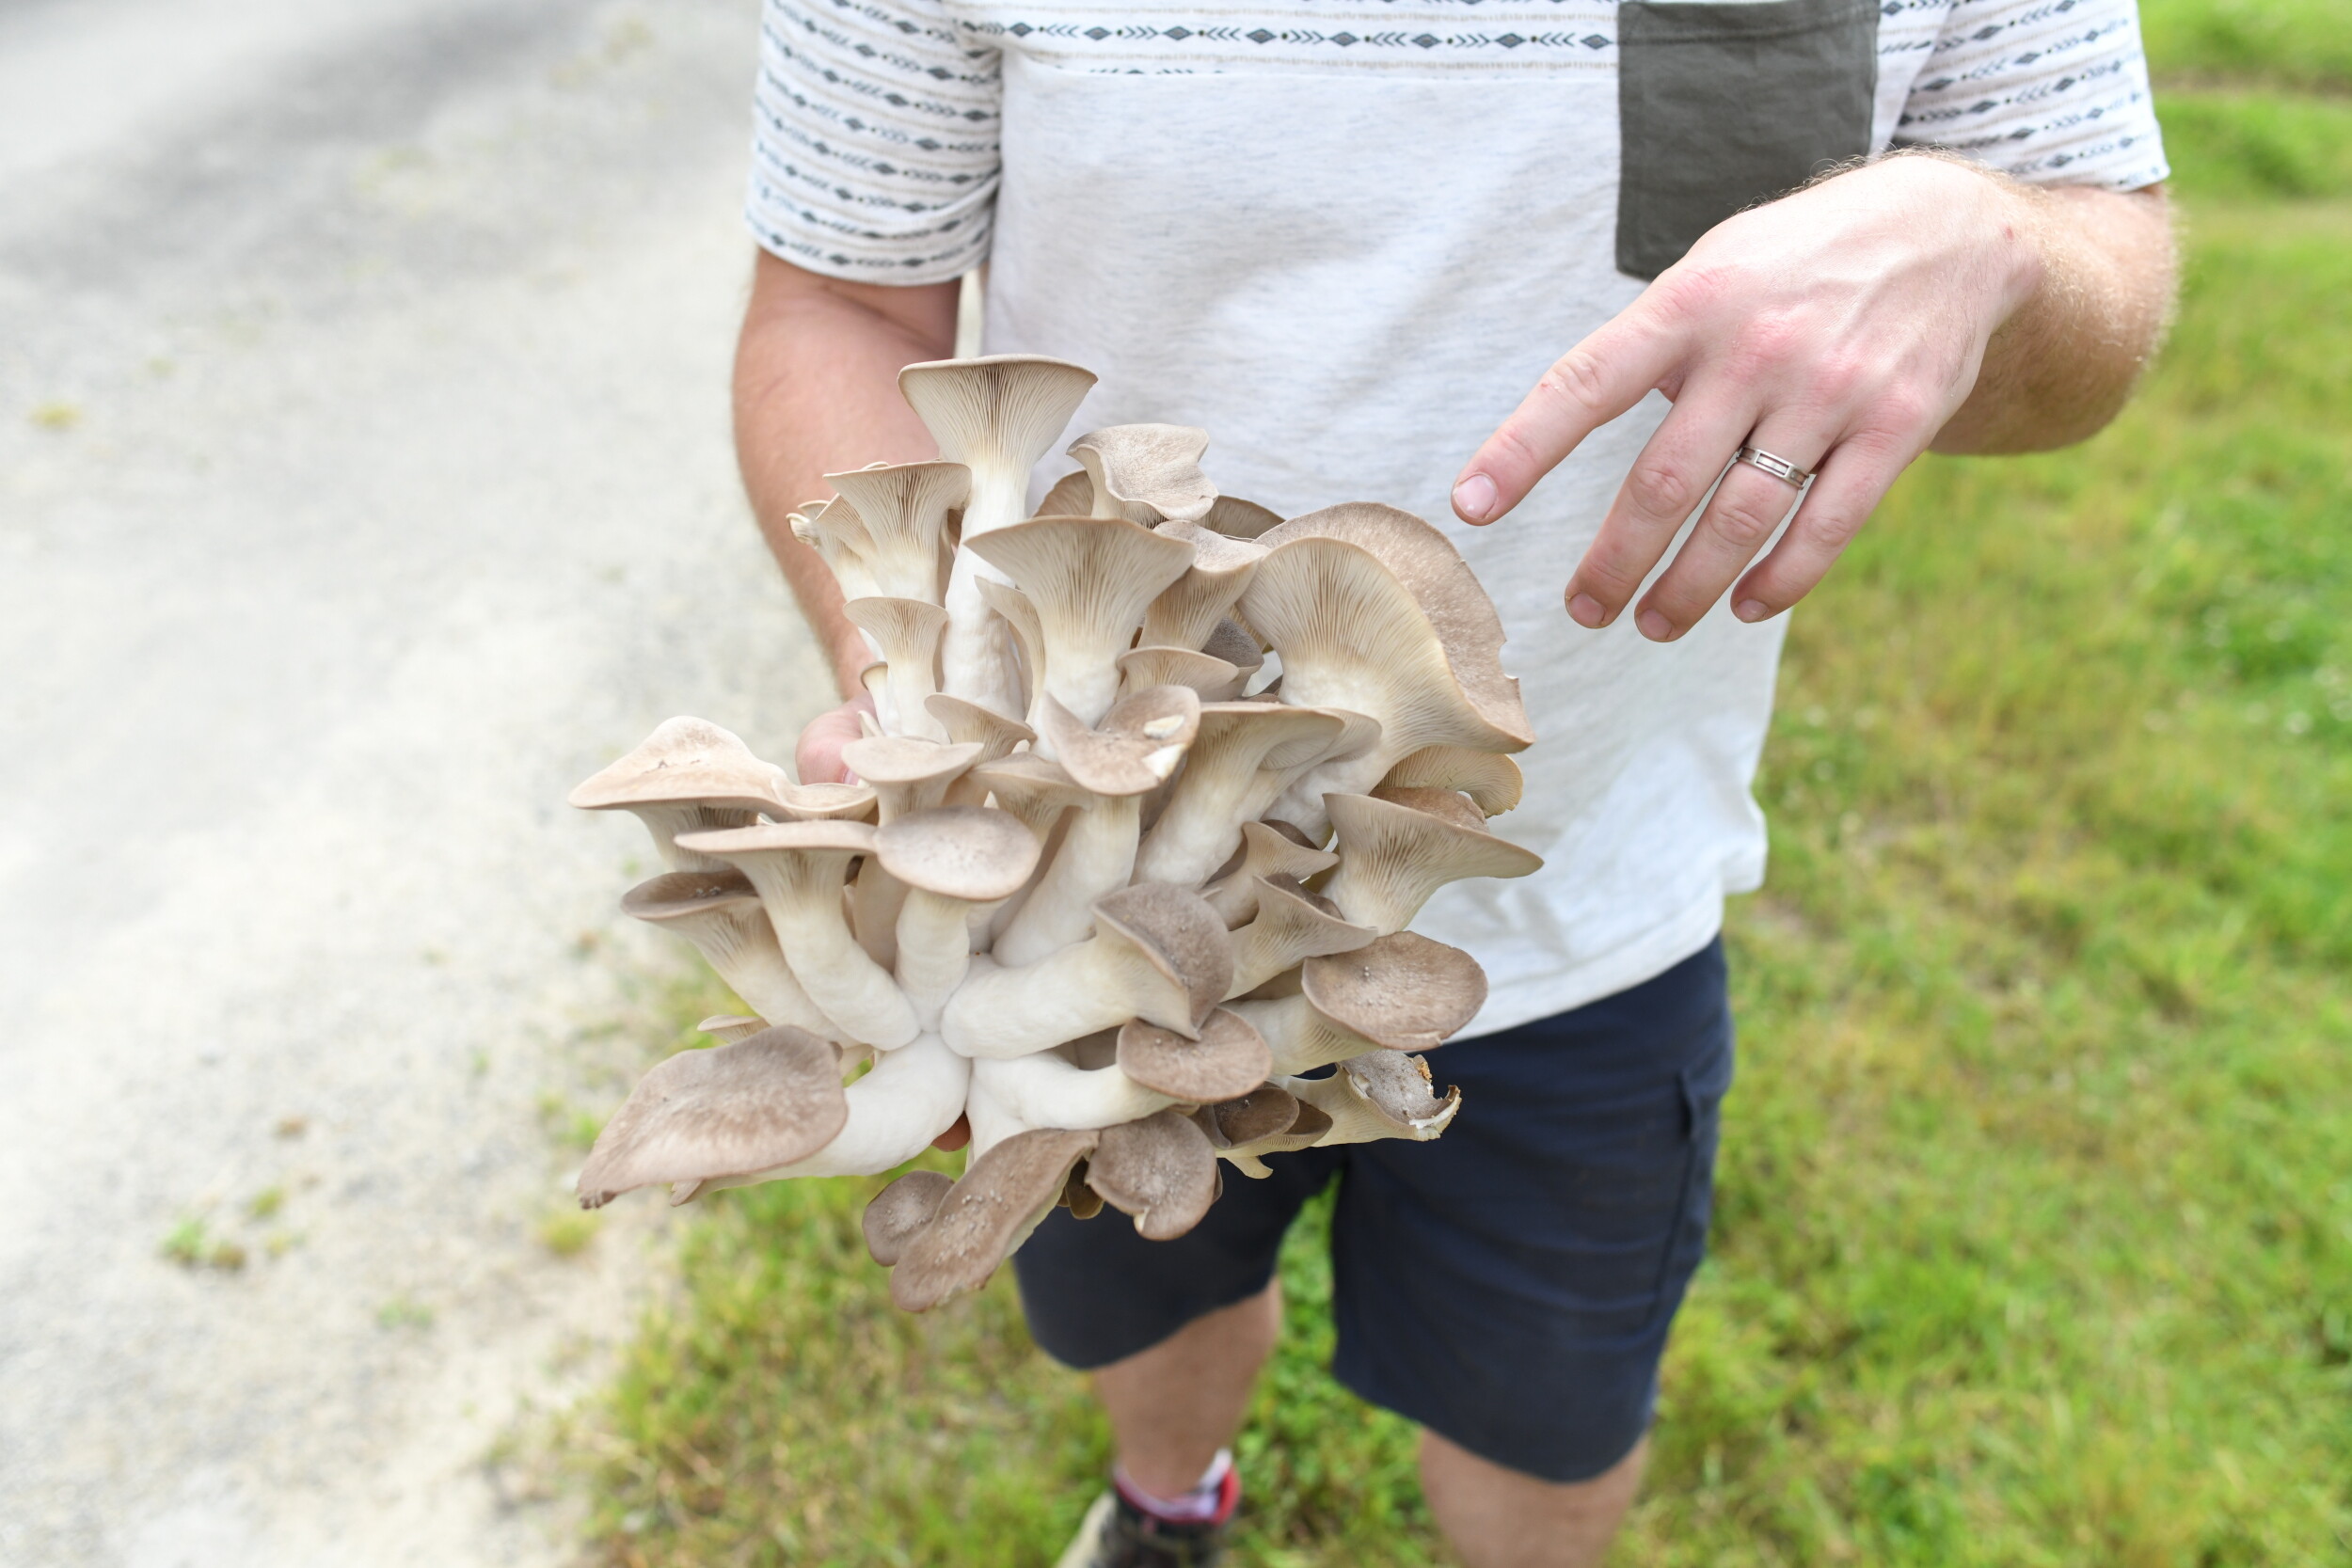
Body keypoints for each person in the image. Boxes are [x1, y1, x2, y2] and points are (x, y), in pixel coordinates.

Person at [730, 2, 2176, 1562]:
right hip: (1085, 898)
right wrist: (920, 700)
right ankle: (1168, 1503)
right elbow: (836, 299)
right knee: (1140, 1304)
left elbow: (2101, 265)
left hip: (1589, 885)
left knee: (1542, 1433)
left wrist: (1996, 239)